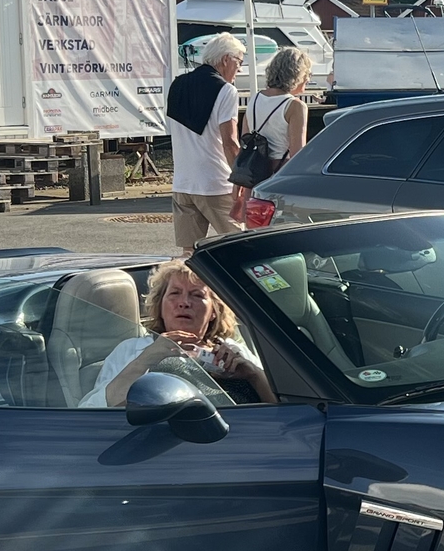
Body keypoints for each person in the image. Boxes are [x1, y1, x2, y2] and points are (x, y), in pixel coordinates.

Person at [82, 260, 274, 408]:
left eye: (197, 295)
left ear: (214, 311)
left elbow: (285, 410)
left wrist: (253, 375)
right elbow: (95, 410)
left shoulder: (233, 350)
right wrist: (147, 359)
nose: (184, 303)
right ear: (160, 305)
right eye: (174, 293)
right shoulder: (133, 349)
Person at [166, 34, 245, 252]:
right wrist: (240, 180)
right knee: (241, 247)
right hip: (215, 182)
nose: (240, 68)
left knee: (189, 254)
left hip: (182, 182)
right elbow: (229, 142)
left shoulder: (178, 85)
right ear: (226, 59)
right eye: (240, 61)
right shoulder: (226, 90)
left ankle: (185, 287)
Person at [229, 45, 312, 227]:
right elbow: (298, 153)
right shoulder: (295, 107)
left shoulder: (255, 99)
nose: (308, 79)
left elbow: (245, 142)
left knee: (253, 235)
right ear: (297, 74)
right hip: (279, 177)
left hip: (254, 178)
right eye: (307, 73)